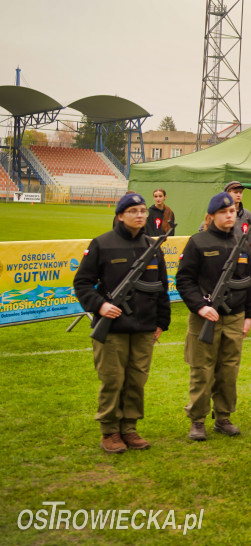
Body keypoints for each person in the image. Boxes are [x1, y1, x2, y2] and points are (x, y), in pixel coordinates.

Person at [73, 193, 171, 454]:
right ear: (120, 215)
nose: (140, 215)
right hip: (113, 327)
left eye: (142, 211)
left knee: (136, 380)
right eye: (133, 211)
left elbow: (161, 286)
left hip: (144, 327)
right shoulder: (102, 244)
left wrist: (162, 321)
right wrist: (100, 305)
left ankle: (129, 428)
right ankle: (110, 431)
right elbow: (82, 283)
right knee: (113, 379)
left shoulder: (152, 246)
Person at [176, 192, 251, 440]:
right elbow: (184, 280)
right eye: (224, 212)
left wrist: (249, 316)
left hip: (234, 317)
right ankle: (197, 420)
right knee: (202, 370)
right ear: (211, 216)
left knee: (229, 371)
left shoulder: (241, 244)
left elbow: (248, 282)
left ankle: (223, 417)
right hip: (205, 319)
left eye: (232, 211)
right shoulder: (197, 242)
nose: (229, 215)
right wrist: (200, 306)